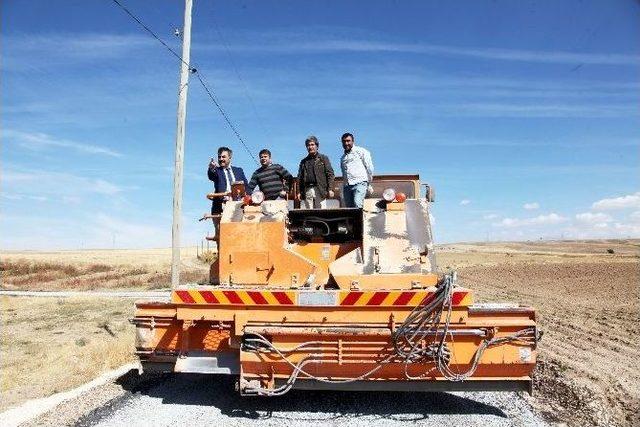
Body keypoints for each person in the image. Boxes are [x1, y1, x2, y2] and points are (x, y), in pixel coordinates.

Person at [207, 146, 249, 215]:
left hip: (239, 205)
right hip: (221, 206)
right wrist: (211, 169)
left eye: (223, 157)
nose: (221, 159)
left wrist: (249, 200)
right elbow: (211, 176)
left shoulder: (239, 171)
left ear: (230, 157)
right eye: (219, 157)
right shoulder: (217, 170)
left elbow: (246, 187)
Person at [297, 136, 335, 209]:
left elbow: (330, 174)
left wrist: (330, 189)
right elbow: (299, 177)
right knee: (309, 213)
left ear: (317, 146)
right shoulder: (303, 161)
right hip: (307, 190)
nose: (310, 147)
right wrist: (299, 192)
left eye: (312, 144)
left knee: (321, 213)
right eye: (308, 145)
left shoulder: (323, 158)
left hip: (320, 190)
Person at [340, 132, 373, 208]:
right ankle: (353, 220)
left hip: (360, 183)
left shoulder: (361, 151)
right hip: (347, 186)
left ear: (353, 141)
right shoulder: (343, 158)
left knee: (357, 203)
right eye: (344, 141)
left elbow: (369, 167)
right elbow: (344, 173)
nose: (346, 143)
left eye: (348, 141)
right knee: (349, 208)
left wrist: (369, 183)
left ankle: (360, 220)